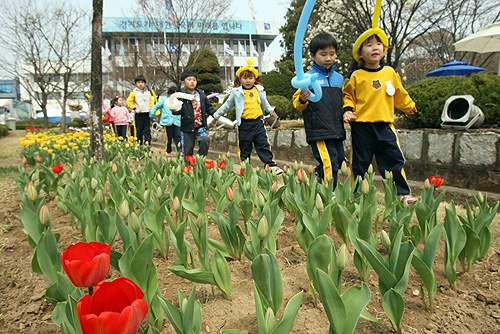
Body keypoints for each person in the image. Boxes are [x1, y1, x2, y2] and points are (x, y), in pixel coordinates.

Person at [342, 27, 418, 204]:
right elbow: (348, 96)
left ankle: (402, 193)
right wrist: (347, 111)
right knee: (360, 163)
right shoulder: (356, 75)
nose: (374, 48)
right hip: (362, 127)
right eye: (369, 45)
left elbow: (399, 92)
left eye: (378, 44)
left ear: (384, 49)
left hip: (385, 126)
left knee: (394, 159)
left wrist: (408, 106)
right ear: (360, 53)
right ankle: (358, 194)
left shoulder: (390, 72)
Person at [292, 33, 345, 189]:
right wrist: (303, 98)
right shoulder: (306, 78)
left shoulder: (339, 78)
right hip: (319, 129)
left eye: (332, 54)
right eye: (323, 54)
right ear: (312, 56)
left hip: (336, 128)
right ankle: (330, 192)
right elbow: (297, 104)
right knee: (330, 161)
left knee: (339, 159)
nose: (328, 58)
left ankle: (318, 175)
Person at [214, 59, 283, 174]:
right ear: (240, 79)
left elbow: (265, 102)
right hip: (244, 125)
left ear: (255, 79)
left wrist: (270, 110)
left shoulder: (258, 90)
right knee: (244, 147)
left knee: (263, 144)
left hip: (258, 123)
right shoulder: (236, 92)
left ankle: (271, 165)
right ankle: (246, 168)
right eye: (245, 78)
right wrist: (217, 115)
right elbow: (227, 105)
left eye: (250, 78)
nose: (248, 81)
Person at [172, 70, 216, 162]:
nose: (192, 82)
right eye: (189, 80)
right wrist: (174, 110)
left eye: (194, 80)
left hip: (200, 126)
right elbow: (178, 109)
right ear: (183, 83)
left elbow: (208, 107)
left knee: (205, 140)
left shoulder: (201, 94)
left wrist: (215, 114)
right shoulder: (181, 96)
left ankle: (199, 161)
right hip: (187, 128)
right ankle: (187, 167)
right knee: (187, 150)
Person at [150, 86, 182, 157]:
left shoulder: (179, 102)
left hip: (177, 122)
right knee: (168, 137)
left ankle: (179, 150)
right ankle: (168, 151)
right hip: (167, 122)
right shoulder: (165, 100)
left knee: (178, 136)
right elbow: (156, 106)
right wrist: (152, 114)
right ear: (170, 94)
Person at [127, 75, 154, 146]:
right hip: (139, 114)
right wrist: (135, 108)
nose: (140, 84)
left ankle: (148, 145)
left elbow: (151, 103)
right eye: (138, 82)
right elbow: (129, 102)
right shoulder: (133, 92)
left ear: (145, 83)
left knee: (147, 131)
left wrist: (153, 112)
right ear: (135, 84)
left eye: (142, 82)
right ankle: (139, 146)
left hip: (147, 114)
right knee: (139, 131)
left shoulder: (148, 93)